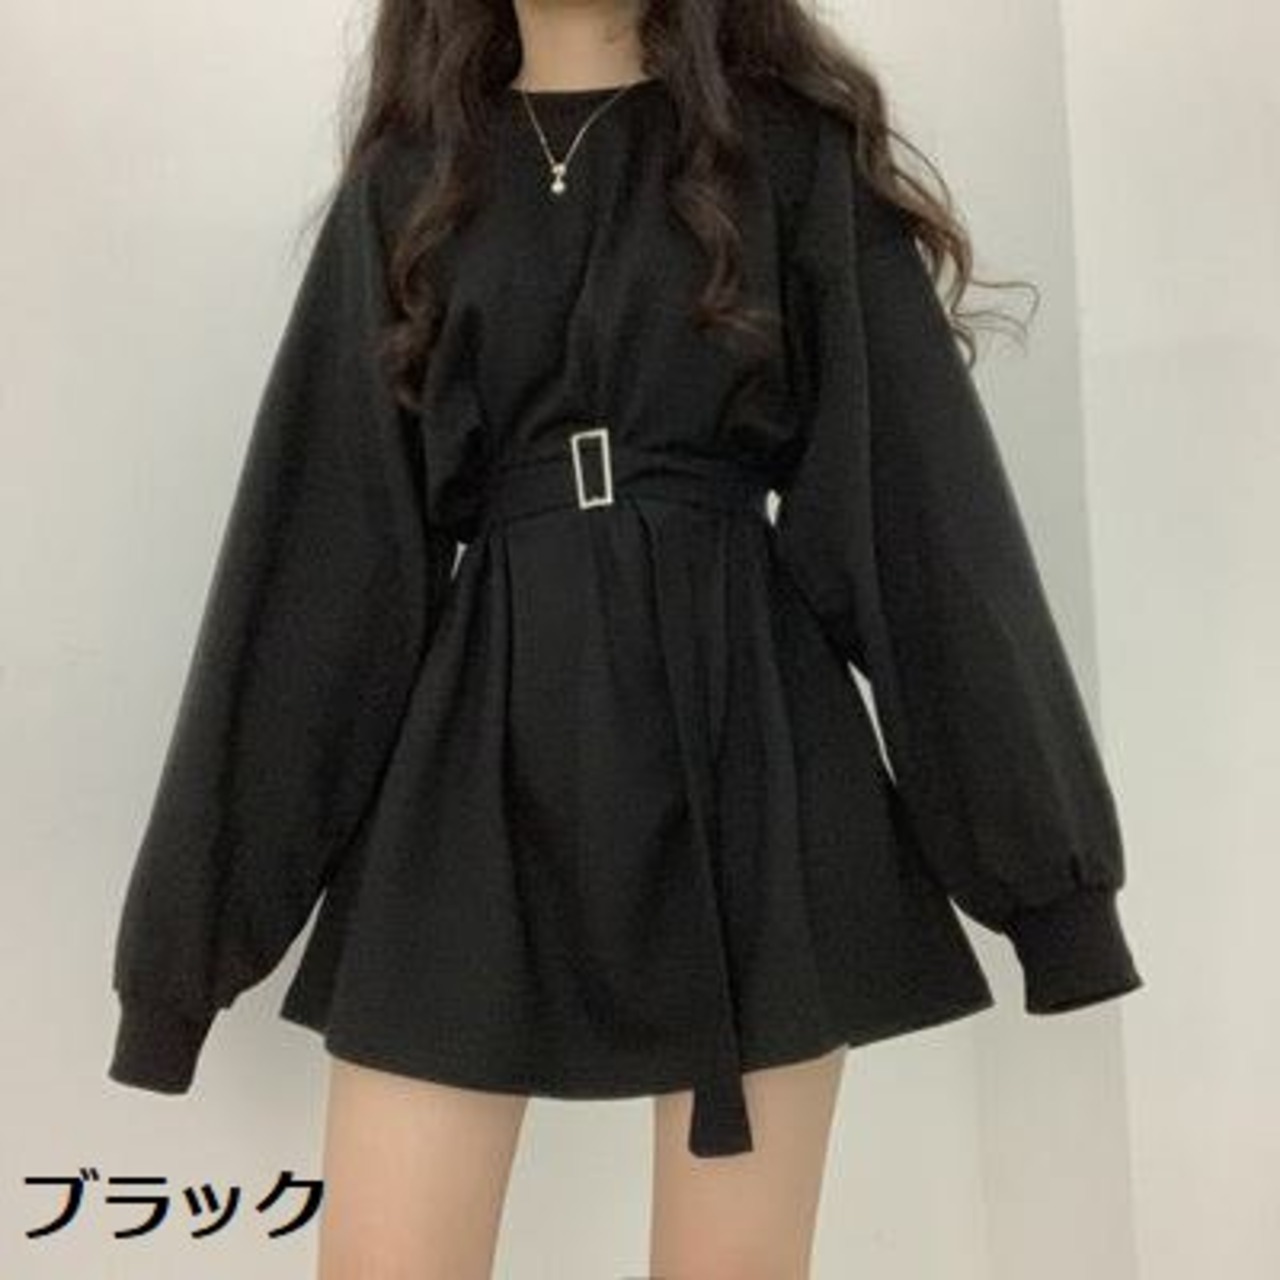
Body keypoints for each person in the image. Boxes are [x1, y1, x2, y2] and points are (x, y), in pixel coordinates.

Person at [106, 1, 1144, 1275]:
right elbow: (315, 576)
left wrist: (1052, 892)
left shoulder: (784, 156)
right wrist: (178, 969)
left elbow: (919, 520)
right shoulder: (411, 182)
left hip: (747, 766)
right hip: (478, 773)